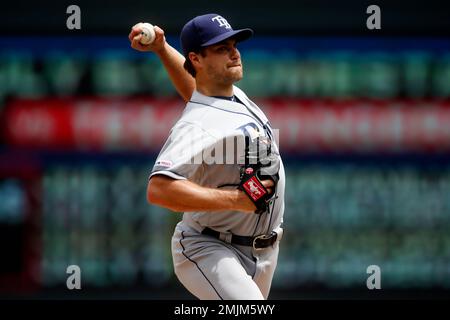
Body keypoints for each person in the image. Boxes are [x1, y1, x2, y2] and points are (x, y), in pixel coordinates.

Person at [129, 13, 285, 300]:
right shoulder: (195, 124)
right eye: (221, 49)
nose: (234, 53)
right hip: (210, 247)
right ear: (197, 59)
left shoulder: (228, 95)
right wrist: (236, 201)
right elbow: (159, 188)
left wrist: (162, 50)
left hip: (261, 253)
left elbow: (197, 89)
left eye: (233, 44)